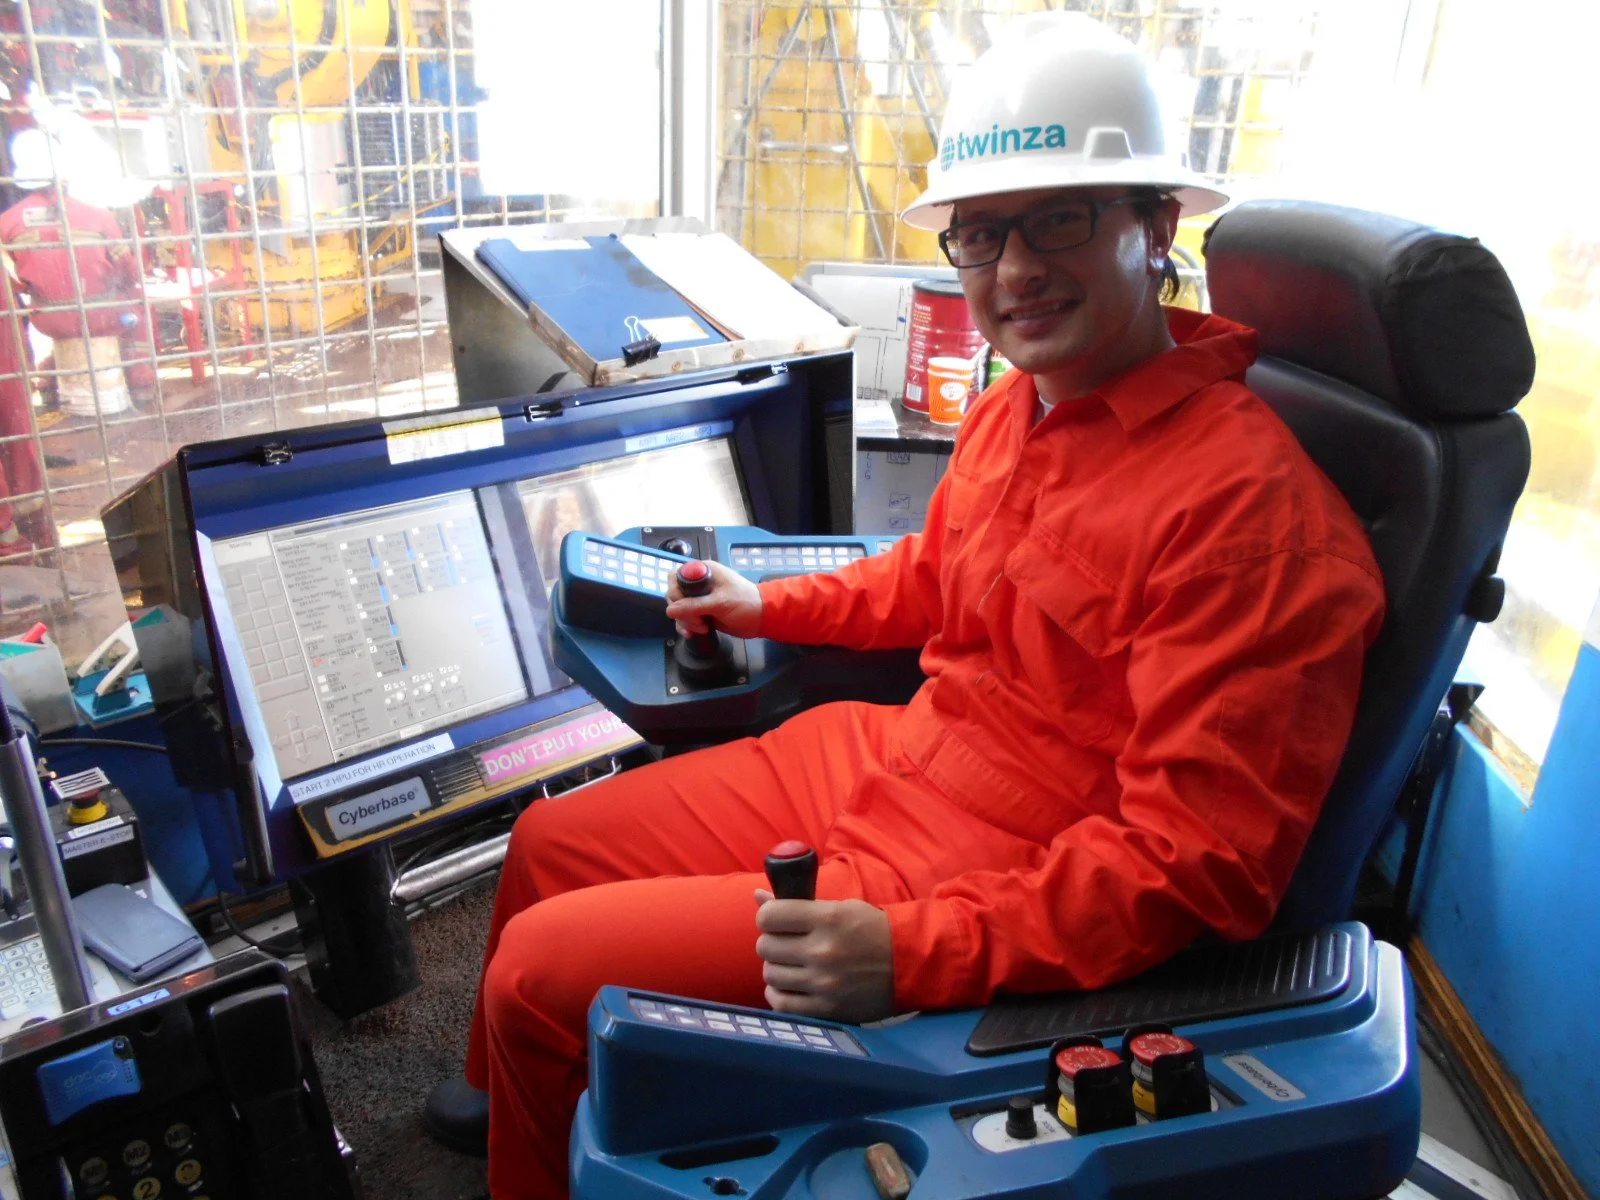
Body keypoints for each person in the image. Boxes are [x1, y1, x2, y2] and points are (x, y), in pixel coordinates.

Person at [425, 15, 1386, 1200]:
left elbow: (1195, 870)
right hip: (892, 756)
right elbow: (928, 577)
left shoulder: (1253, 520)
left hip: (994, 868)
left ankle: (542, 1118)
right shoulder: (1018, 406)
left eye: (1061, 220)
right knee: (549, 842)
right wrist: (765, 602)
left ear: (1156, 228)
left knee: (536, 969)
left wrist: (917, 954)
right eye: (983, 235)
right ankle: (513, 1103)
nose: (1015, 269)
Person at [0, 128, 156, 405]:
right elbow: (129, 270)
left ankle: (46, 383)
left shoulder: (6, 223)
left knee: (42, 327)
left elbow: (12, 282)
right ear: (64, 173)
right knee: (140, 309)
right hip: (101, 316)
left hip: (47, 319)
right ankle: (141, 384)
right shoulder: (98, 215)